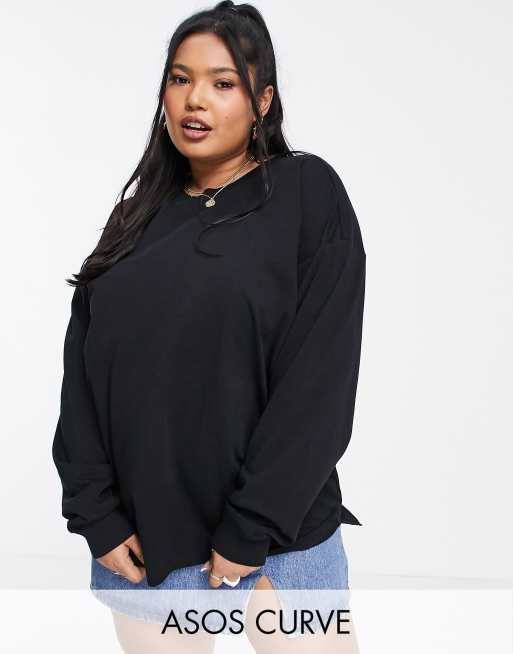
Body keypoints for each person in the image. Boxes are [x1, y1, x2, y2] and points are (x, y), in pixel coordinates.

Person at [51, 1, 365, 651]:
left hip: (273, 544)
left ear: (262, 102)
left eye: (223, 83)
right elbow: (81, 372)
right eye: (180, 78)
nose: (195, 99)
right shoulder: (136, 217)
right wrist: (95, 514)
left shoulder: (306, 194)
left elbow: (319, 383)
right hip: (145, 545)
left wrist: (249, 529)